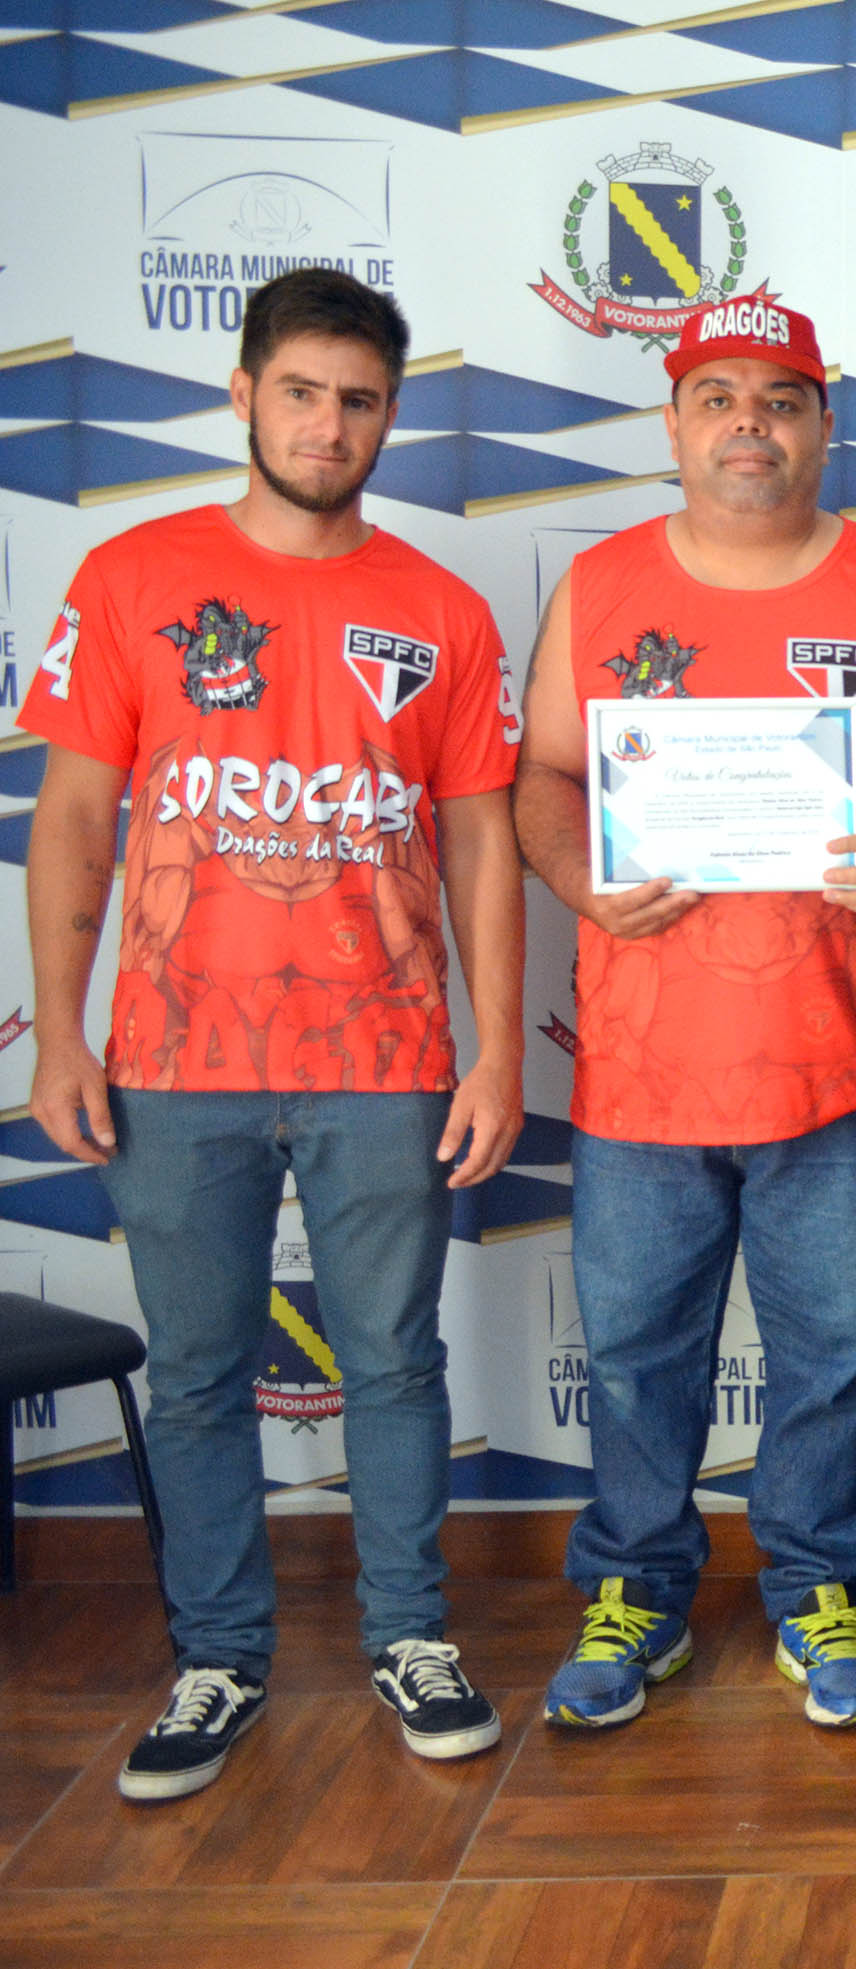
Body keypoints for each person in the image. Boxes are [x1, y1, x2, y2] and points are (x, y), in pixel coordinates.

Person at [20, 268, 522, 1800]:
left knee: (391, 1365)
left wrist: (498, 1048)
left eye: (359, 399)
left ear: (390, 415)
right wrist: (58, 1033)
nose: (329, 423)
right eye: (301, 392)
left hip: (388, 1057)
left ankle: (411, 1635)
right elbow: (77, 821)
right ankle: (220, 1656)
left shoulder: (438, 608)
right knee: (193, 1374)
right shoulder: (128, 577)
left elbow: (485, 842)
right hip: (174, 1061)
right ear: (242, 396)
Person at [514, 301, 856, 1731]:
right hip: (644, 1074)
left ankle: (817, 1584)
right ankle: (636, 1592)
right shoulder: (596, 589)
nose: (749, 425)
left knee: (834, 1357)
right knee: (641, 1358)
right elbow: (538, 780)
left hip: (841, 1067)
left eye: (781, 399)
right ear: (672, 424)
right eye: (717, 396)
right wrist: (579, 879)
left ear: (826, 424)